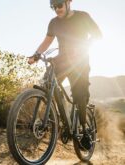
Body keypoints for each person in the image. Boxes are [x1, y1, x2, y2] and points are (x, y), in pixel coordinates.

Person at [28, 0, 102, 147]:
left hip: (80, 62)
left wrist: (85, 45)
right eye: (53, 6)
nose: (57, 9)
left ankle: (84, 130)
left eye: (59, 5)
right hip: (62, 61)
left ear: (69, 2)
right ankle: (57, 118)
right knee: (47, 83)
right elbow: (47, 41)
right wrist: (36, 55)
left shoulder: (83, 17)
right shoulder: (54, 23)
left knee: (79, 96)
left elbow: (98, 35)